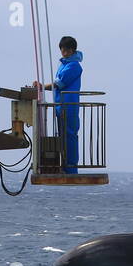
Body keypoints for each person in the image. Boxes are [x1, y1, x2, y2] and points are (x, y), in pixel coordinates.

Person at [43, 36, 83, 173]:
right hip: (61, 105)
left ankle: (71, 168)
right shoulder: (64, 64)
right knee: (63, 137)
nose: (64, 53)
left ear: (72, 50)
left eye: (67, 50)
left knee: (70, 136)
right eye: (62, 50)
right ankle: (64, 166)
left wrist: (41, 87)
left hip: (69, 106)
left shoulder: (74, 66)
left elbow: (59, 83)